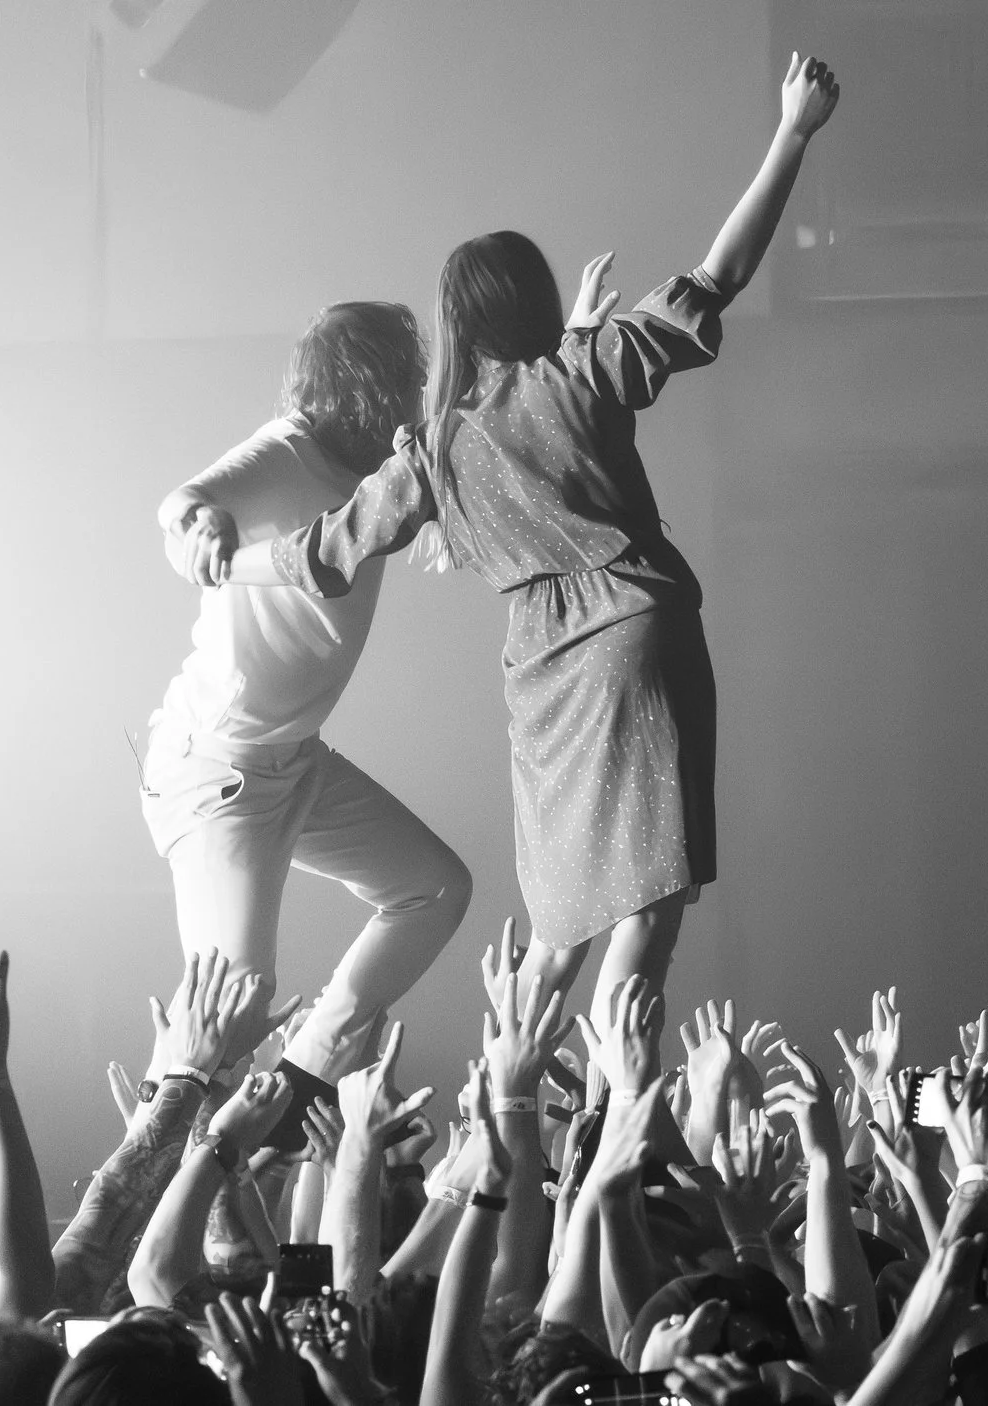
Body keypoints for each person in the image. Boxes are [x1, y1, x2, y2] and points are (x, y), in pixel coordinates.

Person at [235, 54, 842, 1011]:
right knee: (647, 906)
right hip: (638, 634)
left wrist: (231, 560)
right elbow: (719, 274)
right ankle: (613, 1124)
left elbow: (323, 554)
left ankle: (508, 1118)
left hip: (542, 680)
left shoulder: (432, 448)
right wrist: (790, 136)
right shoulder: (584, 371)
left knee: (563, 926)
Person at [147, 301, 474, 1125]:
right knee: (228, 1012)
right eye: (407, 385)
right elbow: (184, 501)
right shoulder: (285, 446)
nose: (416, 400)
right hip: (216, 771)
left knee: (434, 889)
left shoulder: (386, 469)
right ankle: (156, 1187)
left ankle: (300, 1083)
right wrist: (197, 524)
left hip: (296, 760)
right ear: (366, 389)